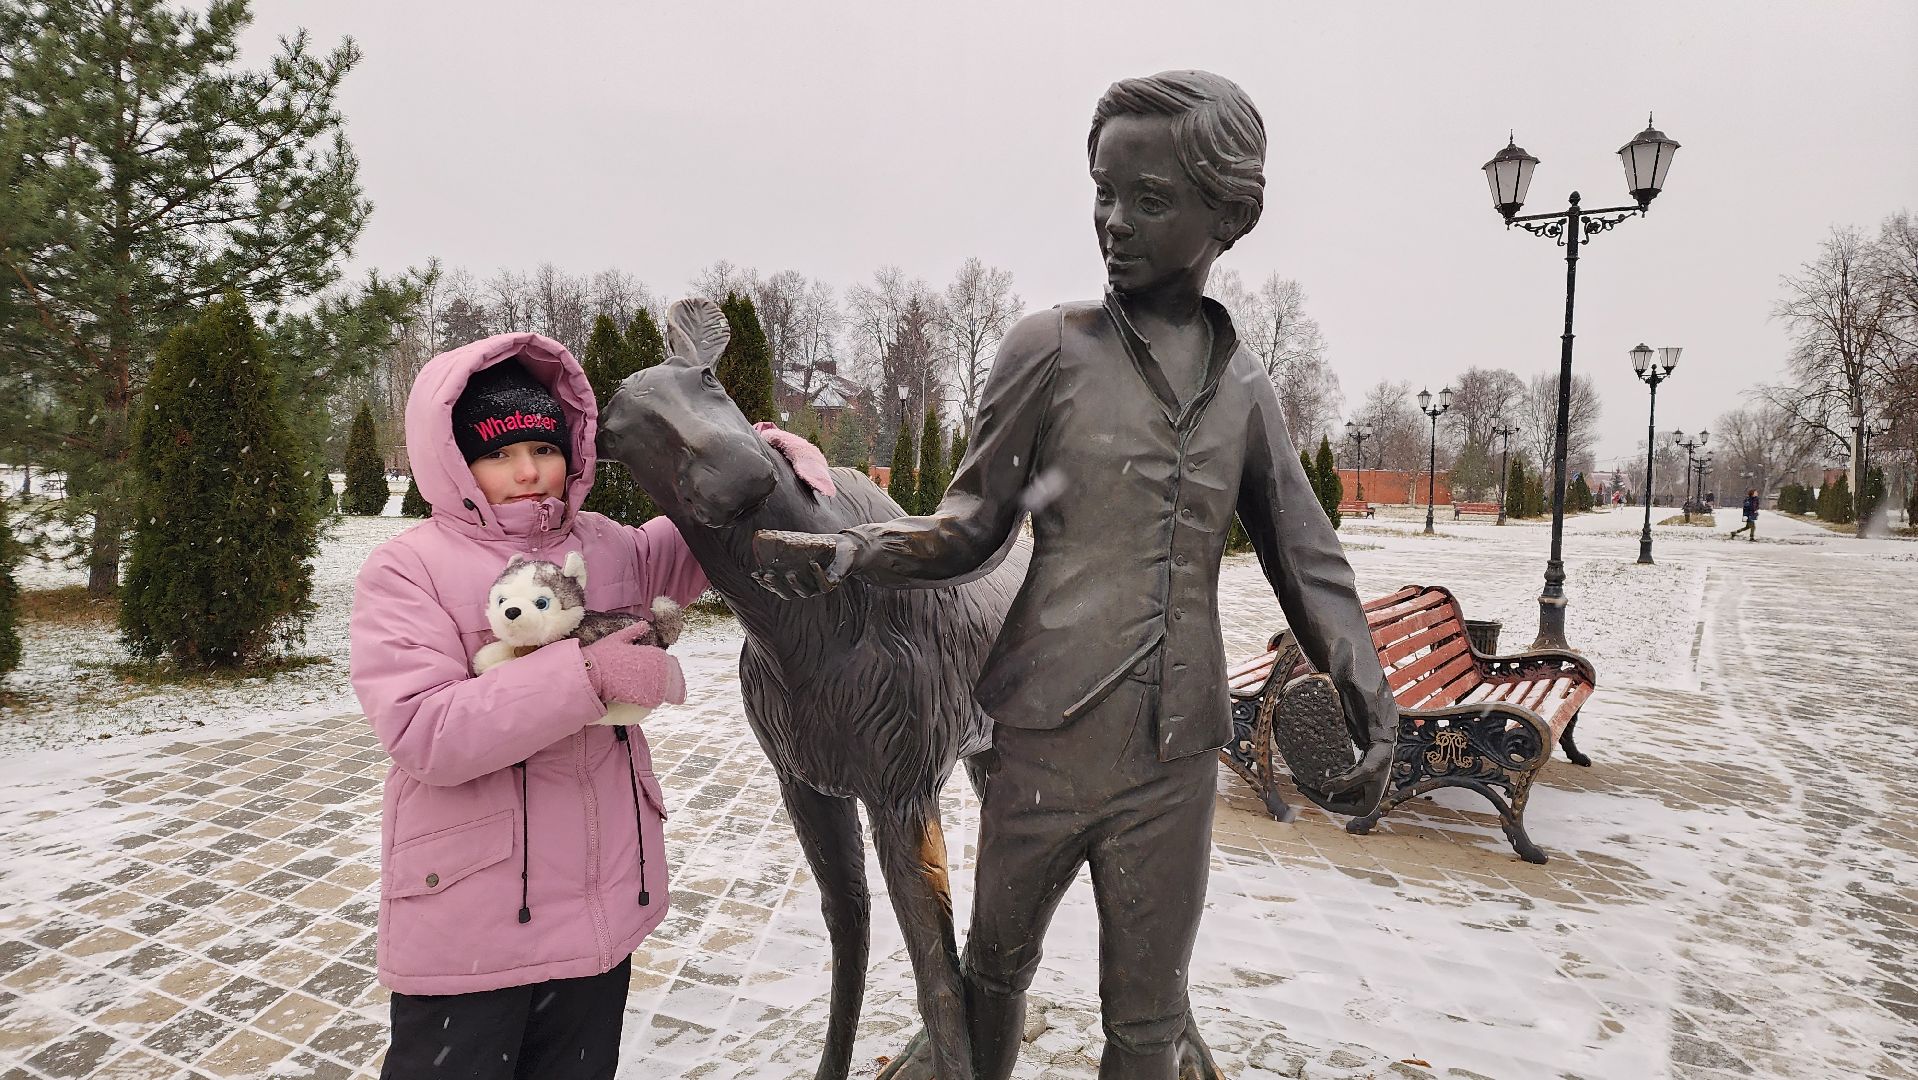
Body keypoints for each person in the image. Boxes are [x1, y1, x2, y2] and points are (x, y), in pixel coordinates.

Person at [753, 71, 1396, 1080]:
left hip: (1175, 754)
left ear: (1227, 214)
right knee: (993, 975)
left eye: (1149, 200)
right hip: (1043, 739)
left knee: (1144, 1024)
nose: (1114, 222)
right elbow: (969, 529)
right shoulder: (1047, 351)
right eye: (1103, 191)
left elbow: (1304, 556)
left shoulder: (1245, 388)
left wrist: (1365, 688)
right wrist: (856, 550)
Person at [349, 336, 707, 1080]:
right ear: (454, 460)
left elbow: (706, 532)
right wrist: (582, 676)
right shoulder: (407, 567)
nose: (526, 471)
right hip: (474, 923)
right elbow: (425, 731)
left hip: (599, 910)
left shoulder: (611, 547)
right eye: (497, 454)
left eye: (543, 447)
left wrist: (768, 458)